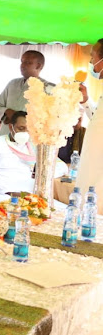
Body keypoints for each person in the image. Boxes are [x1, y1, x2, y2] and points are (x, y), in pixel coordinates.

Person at [0, 112, 67, 207]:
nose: (25, 133)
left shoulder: (34, 146)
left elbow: (62, 166)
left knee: (64, 210)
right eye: (21, 128)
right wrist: (13, 192)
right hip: (3, 194)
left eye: (28, 129)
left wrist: (42, 172)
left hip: (31, 195)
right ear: (11, 127)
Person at [0, 50, 53, 135]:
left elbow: (51, 119)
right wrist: (6, 112)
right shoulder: (12, 84)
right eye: (22, 62)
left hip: (29, 140)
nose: (22, 65)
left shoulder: (48, 88)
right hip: (6, 136)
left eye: (28, 62)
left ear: (38, 66)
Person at [73, 38, 103, 210]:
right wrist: (85, 101)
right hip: (93, 159)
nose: (91, 62)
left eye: (93, 57)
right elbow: (98, 120)